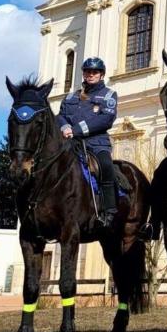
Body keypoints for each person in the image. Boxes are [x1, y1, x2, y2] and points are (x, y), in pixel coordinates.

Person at [57, 57, 119, 230]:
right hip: (70, 143)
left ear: (101, 74)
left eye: (95, 72)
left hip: (97, 143)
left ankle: (109, 210)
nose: (91, 75)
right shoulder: (71, 96)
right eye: (87, 71)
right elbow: (60, 115)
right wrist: (64, 127)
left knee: (106, 166)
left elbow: (105, 119)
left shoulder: (108, 95)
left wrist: (75, 130)